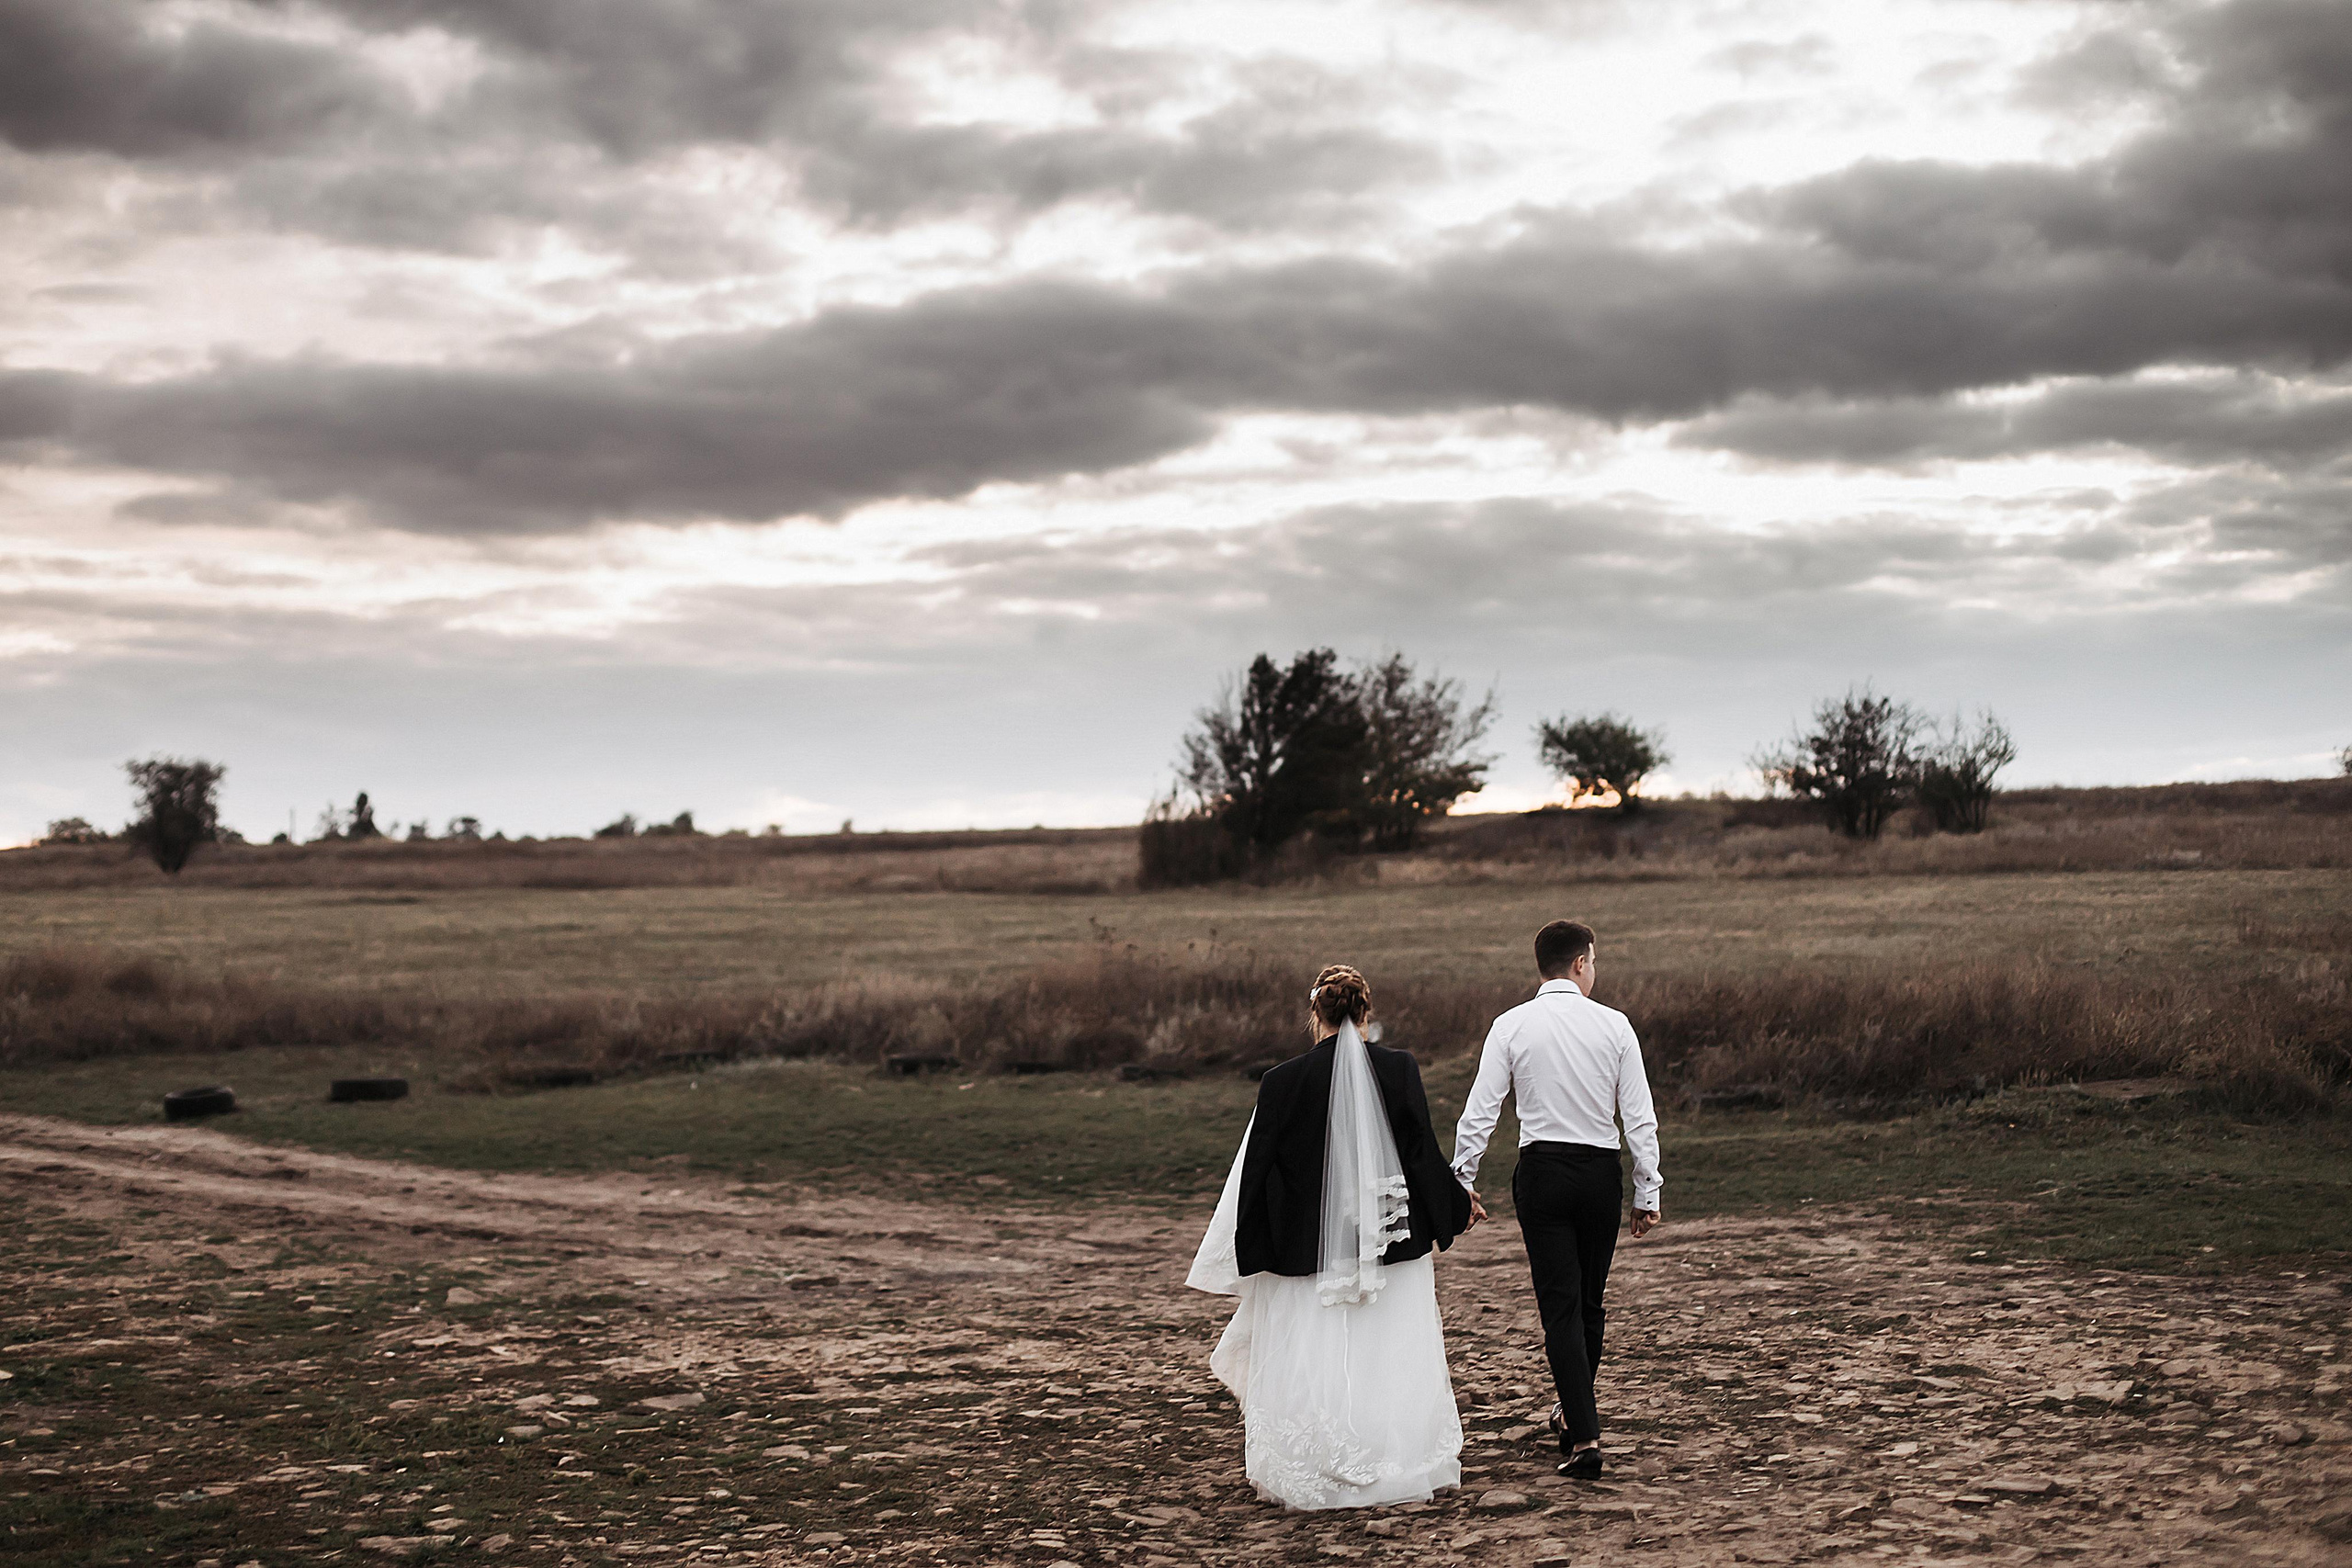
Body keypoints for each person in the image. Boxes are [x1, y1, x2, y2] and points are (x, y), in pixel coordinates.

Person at [1188, 964, 1476, 1509]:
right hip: (1391, 1244)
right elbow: (1420, 1153)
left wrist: (1255, 1248)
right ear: (1366, 1014)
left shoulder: (1280, 1082)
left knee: (1312, 1353)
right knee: (1387, 1348)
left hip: (1303, 1251)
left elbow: (1257, 1169)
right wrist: (1456, 1208)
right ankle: (1394, 1457)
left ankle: (1317, 1462)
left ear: (1313, 1016)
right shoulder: (1399, 1069)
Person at [1450, 920, 1662, 1481]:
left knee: (1562, 1307)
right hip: (1598, 1175)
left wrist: (1463, 1178)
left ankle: (1582, 1430)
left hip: (1542, 1174)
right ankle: (1577, 1420)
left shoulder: (1512, 1025)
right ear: (1579, 964)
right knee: (1589, 1303)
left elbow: (1482, 1109)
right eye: (1593, 960)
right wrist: (1648, 1187)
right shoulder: (1615, 1026)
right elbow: (1638, 1116)